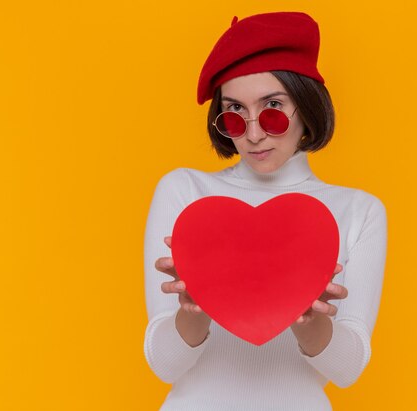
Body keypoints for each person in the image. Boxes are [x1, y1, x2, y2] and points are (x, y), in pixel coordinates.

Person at [143, 11, 388, 411]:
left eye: (272, 107)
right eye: (235, 111)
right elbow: (165, 366)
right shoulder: (185, 192)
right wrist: (194, 310)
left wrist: (309, 320)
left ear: (306, 104)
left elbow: (348, 371)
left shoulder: (359, 211)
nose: (253, 133)